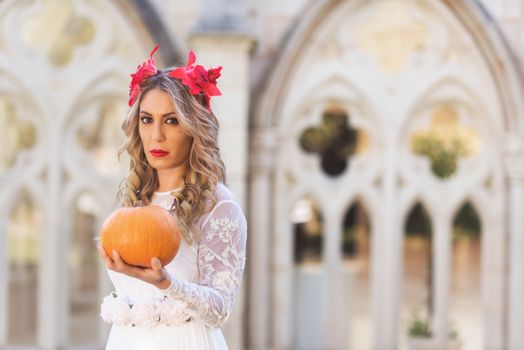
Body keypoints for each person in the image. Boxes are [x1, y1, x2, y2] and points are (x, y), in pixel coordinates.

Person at [97, 46, 247, 350]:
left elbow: (220, 308)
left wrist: (165, 282)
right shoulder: (134, 199)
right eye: (147, 119)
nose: (156, 136)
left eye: (171, 120)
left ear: (194, 128)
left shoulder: (219, 205)